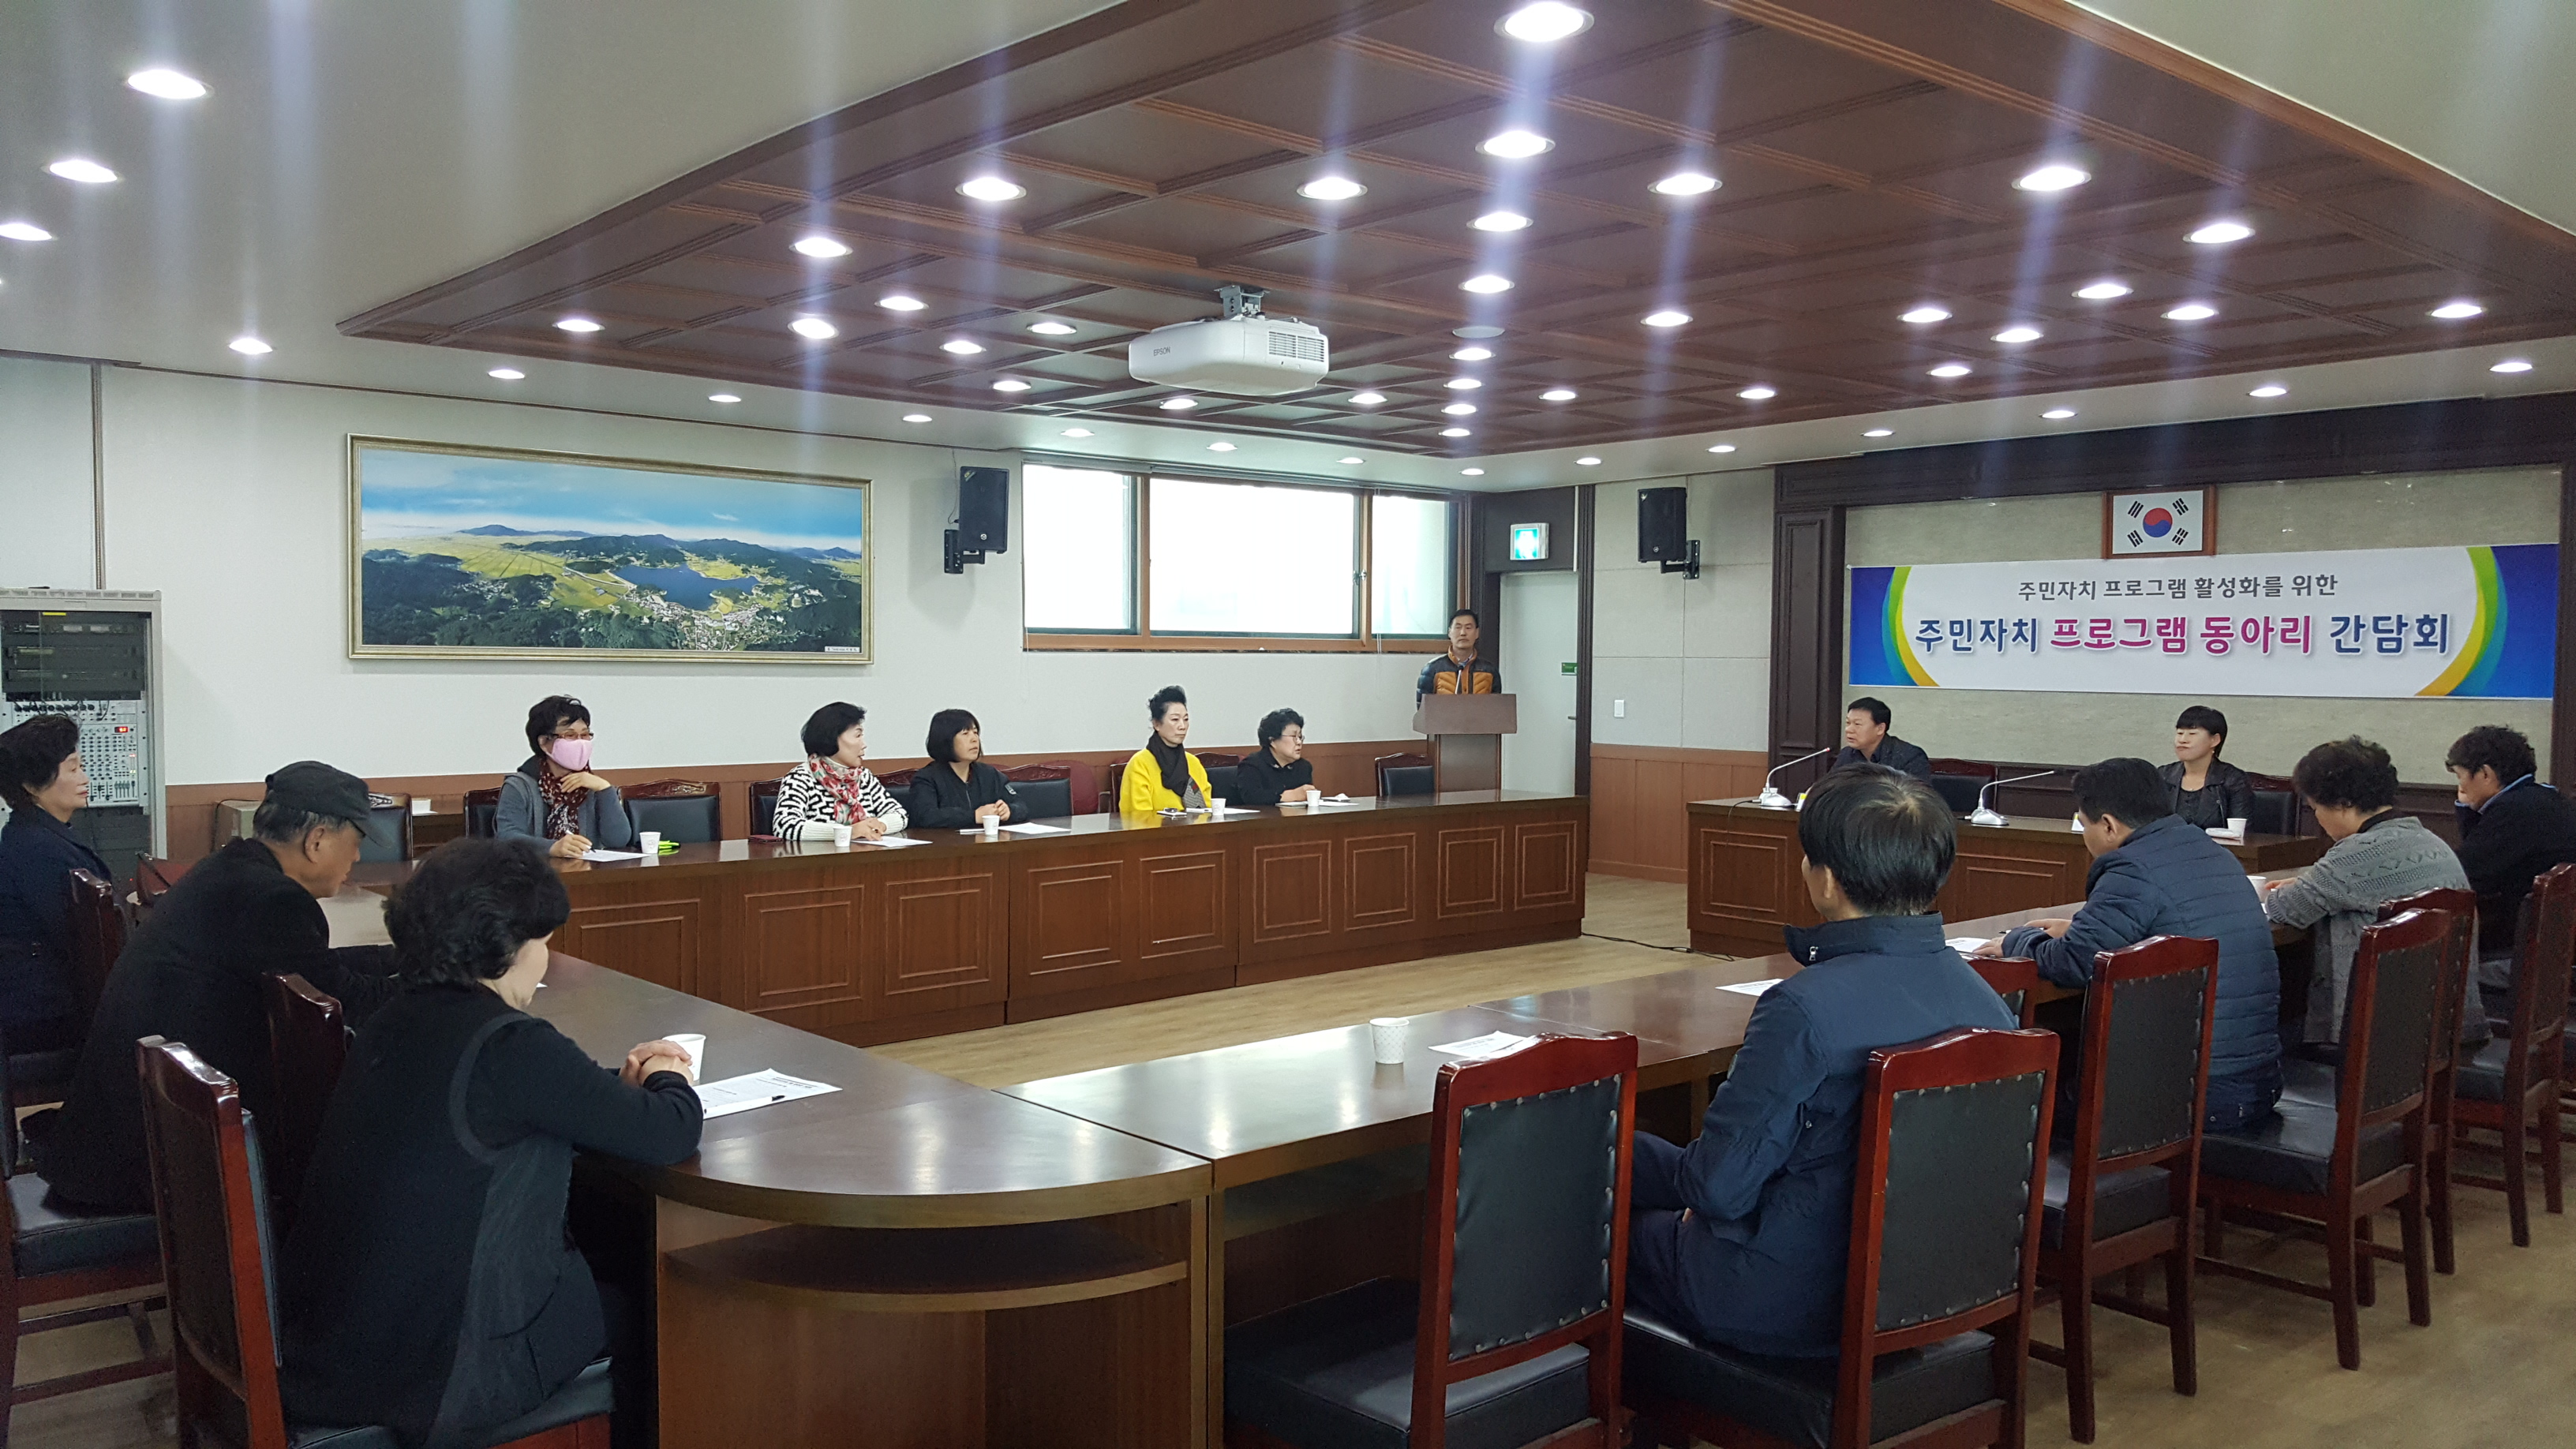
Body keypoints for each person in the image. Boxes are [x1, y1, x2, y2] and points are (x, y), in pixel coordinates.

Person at [279, 837, 702, 1449]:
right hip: (440, 1376)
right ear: (505, 948)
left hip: (340, 1346)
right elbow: (669, 1130)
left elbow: (535, 1096)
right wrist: (669, 1073)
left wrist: (616, 1086)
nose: (545, 961)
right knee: (652, 1302)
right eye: (543, 943)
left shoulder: (394, 1017)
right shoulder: (510, 1044)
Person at [1624, 766, 2014, 1357]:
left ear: (1826, 880)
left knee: (1597, 1207)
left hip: (1786, 1299)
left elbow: (1717, 1189)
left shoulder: (1802, 1008)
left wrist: (1616, 1149)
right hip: (1929, 1282)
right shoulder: (1990, 1005)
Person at [43, 762, 400, 1212]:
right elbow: (347, 1002)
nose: (357, 858)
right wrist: (452, 978)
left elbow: (316, 969)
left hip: (121, 1141)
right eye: (357, 842)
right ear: (317, 841)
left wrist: (403, 958)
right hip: (156, 1169)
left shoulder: (229, 871)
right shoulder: (273, 900)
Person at [1986, 757, 2280, 1129]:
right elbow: (2165, 921)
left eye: (2084, 824)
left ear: (2108, 825)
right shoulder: (2211, 851)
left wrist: (2017, 939)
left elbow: (2073, 962)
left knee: (2012, 1108)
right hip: (2259, 1080)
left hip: (2195, 1093)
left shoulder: (2131, 868)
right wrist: (2078, 927)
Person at [2262, 737, 2468, 1050]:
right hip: (2437, 1023)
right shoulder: (2430, 840)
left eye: (2315, 808)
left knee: (2271, 1031)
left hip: (2375, 1038)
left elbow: (2285, 909)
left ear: (2342, 803)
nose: (2317, 818)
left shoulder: (2356, 854)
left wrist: (2305, 885)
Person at [2444, 724, 2576, 1031]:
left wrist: (2465, 809)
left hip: (2524, 958)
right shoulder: (2546, 798)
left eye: (2461, 777)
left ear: (2485, 774)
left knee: (2435, 965)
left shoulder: (2514, 811)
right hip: (2558, 953)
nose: (2460, 788)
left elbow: (2461, 875)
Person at [0, 716, 105, 1055]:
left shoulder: (36, 834)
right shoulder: (37, 848)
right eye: (73, 769)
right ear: (31, 786)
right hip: (46, 1014)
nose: (85, 778)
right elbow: (82, 943)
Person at [496, 695, 635, 859]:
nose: (580, 743)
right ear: (544, 742)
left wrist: (605, 789)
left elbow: (618, 840)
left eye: (585, 735)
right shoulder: (519, 786)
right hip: (535, 871)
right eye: (570, 735)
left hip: (587, 871)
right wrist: (551, 847)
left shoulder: (591, 785)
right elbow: (507, 837)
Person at [772, 702, 908, 839]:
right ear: (832, 738)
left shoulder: (863, 777)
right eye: (858, 736)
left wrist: (880, 825)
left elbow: (899, 814)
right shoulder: (800, 778)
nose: (864, 745)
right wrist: (849, 832)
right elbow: (785, 825)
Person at [909, 709, 1023, 829]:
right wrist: (974, 816)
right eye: (965, 733)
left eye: (975, 732)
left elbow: (1021, 805)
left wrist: (1009, 811)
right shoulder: (926, 778)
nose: (974, 739)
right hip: (946, 840)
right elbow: (926, 817)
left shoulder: (989, 774)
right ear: (945, 740)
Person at [2159, 704, 2256, 830]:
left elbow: (2240, 832)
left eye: (2192, 733)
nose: (2182, 740)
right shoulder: (2162, 775)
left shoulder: (2234, 780)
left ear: (2214, 740)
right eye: (2180, 733)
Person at [1121, 686, 1212, 814]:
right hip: (1156, 828)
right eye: (1175, 720)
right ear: (1157, 724)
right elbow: (1139, 818)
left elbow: (1207, 811)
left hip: (1196, 827)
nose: (1182, 726)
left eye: (1186, 719)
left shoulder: (1194, 763)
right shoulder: (1140, 765)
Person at [1231, 709, 1321, 807]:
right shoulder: (1252, 765)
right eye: (1293, 736)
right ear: (1272, 741)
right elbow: (1251, 798)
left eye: (1300, 737)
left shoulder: (1303, 767)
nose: (1299, 742)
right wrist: (1286, 796)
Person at [1830, 697, 1930, 779]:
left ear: (1880, 728)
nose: (1848, 730)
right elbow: (1830, 788)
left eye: (1857, 724)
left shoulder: (1910, 757)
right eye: (1848, 723)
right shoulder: (1846, 754)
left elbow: (1919, 794)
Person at [1414, 608, 1499, 700]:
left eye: (1468, 628)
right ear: (1450, 633)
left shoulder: (1490, 671)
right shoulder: (1432, 669)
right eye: (1458, 628)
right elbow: (1423, 706)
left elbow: (1496, 705)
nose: (1463, 633)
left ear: (1477, 633)